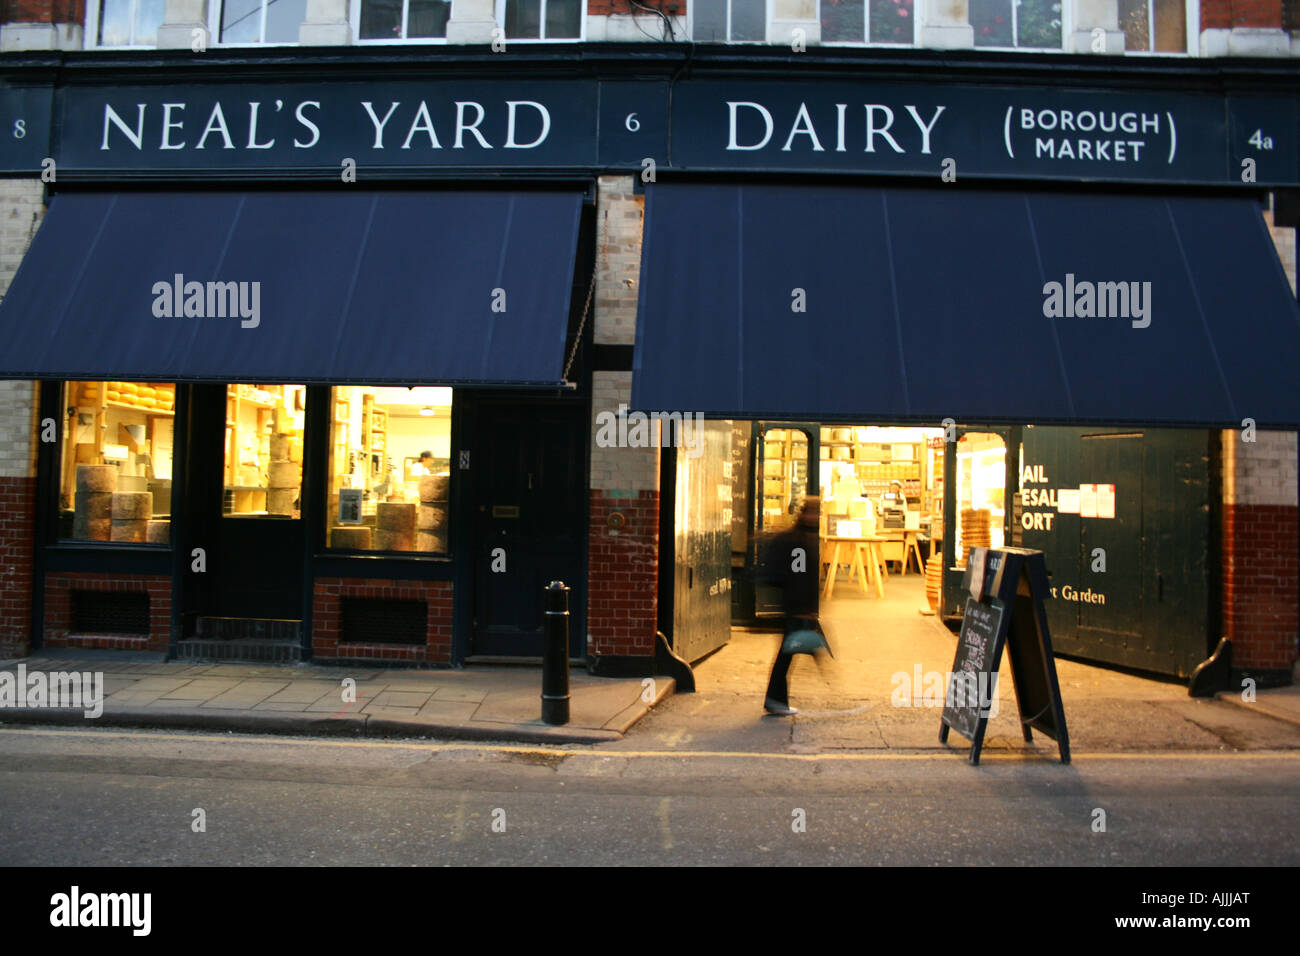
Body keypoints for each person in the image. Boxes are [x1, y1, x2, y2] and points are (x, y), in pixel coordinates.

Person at [758, 495, 822, 717]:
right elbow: (799, 575)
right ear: (804, 514)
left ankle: (776, 700)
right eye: (813, 513)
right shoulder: (799, 542)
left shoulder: (803, 539)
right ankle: (775, 701)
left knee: (787, 653)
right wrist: (804, 607)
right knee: (786, 654)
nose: (816, 517)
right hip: (796, 607)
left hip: (797, 606)